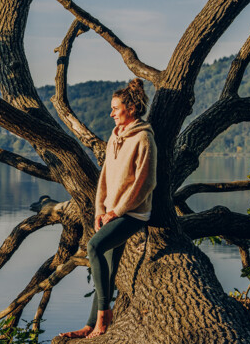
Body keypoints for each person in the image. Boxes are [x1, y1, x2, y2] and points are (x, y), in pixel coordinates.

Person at [60, 79, 157, 339]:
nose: (111, 113)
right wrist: (99, 210)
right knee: (109, 268)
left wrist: (117, 211)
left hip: (134, 213)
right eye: (111, 108)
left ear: (132, 109)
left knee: (93, 247)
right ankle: (91, 324)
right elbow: (105, 178)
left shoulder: (144, 138)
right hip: (112, 212)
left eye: (115, 108)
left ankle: (104, 315)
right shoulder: (116, 135)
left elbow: (145, 183)